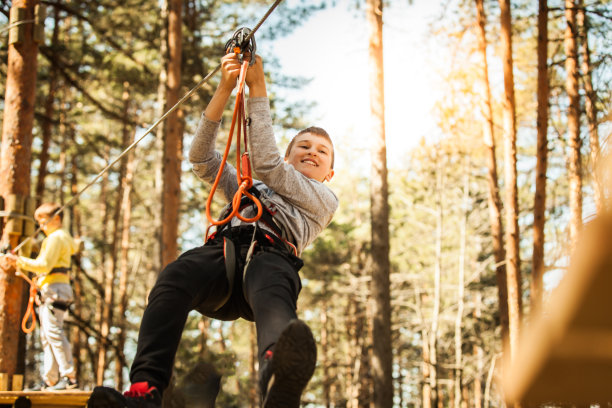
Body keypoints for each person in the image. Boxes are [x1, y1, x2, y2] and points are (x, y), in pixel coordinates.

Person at [87, 52, 338, 408]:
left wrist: (257, 86)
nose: (312, 152)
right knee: (174, 277)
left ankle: (279, 374)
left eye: (322, 152)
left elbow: (266, 162)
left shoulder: (323, 198)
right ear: (289, 155)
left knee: (272, 281)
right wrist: (223, 90)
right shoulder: (251, 185)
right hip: (223, 260)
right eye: (304, 146)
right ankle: (145, 388)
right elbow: (201, 158)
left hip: (269, 259)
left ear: (328, 173)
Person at [1, 202, 79, 390]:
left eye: (44, 221)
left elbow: (44, 265)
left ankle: (69, 377)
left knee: (53, 332)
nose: (41, 226)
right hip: (54, 288)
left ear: (57, 219)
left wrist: (18, 260)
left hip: (55, 289)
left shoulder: (55, 238)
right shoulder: (65, 238)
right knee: (47, 335)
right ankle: (50, 379)